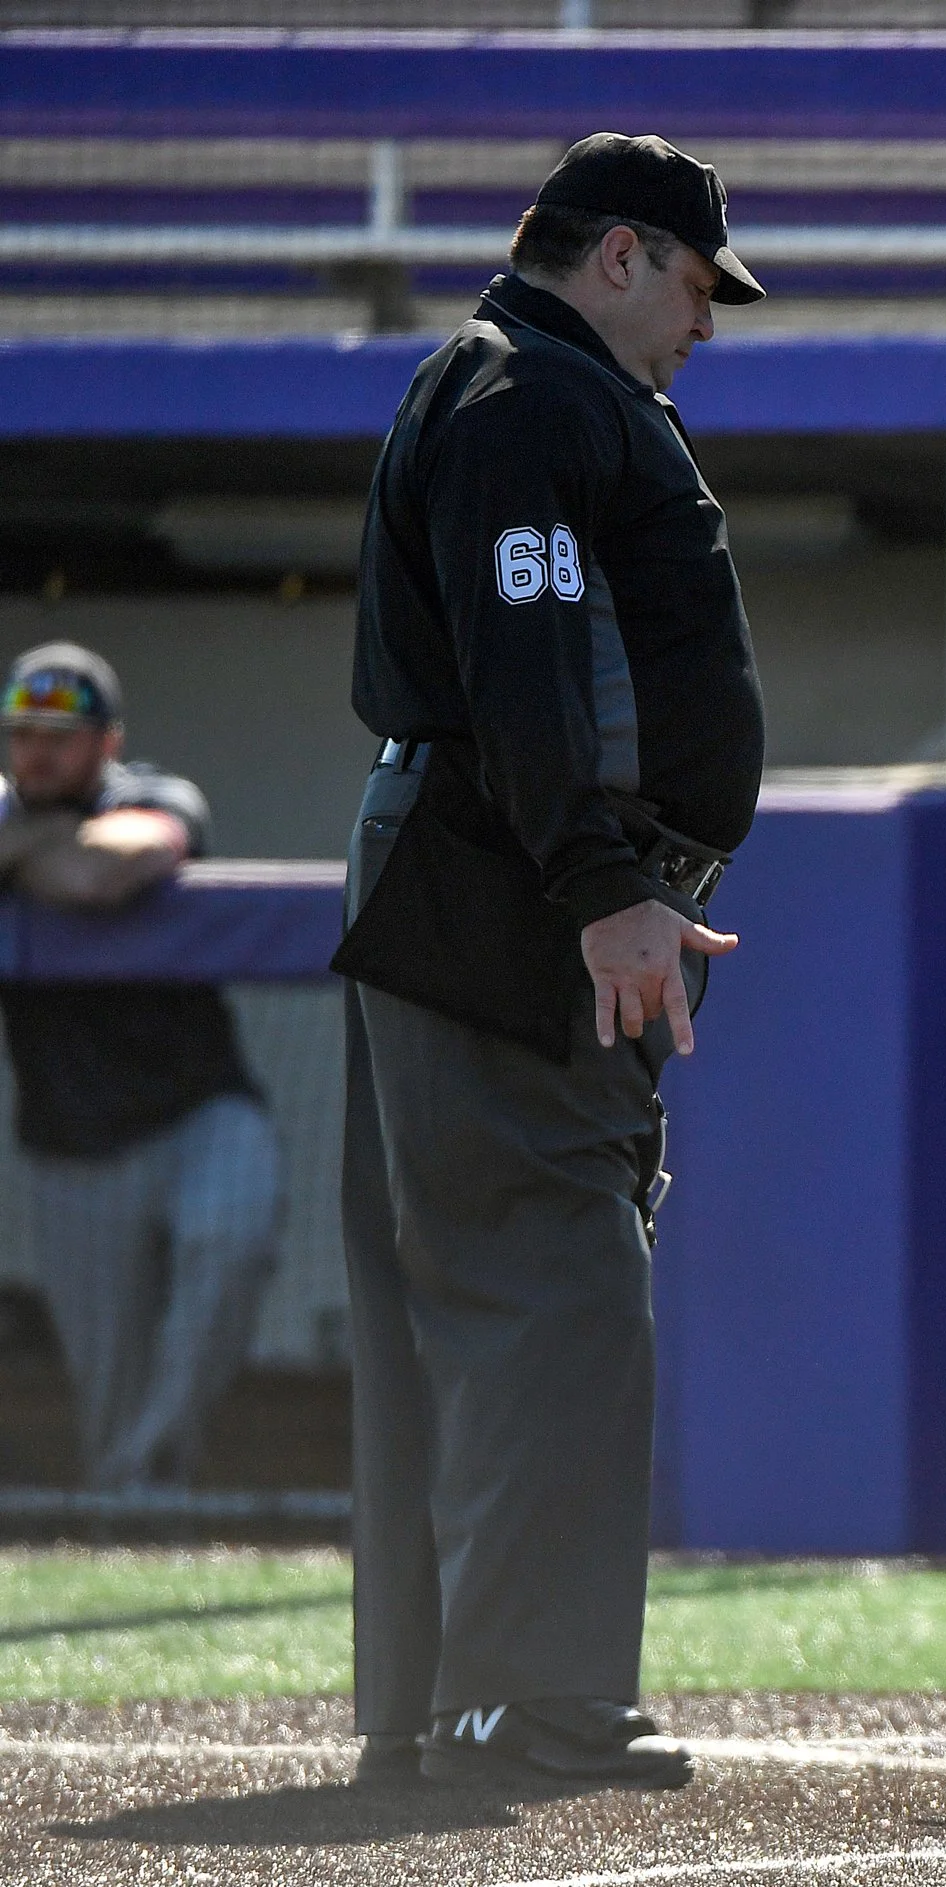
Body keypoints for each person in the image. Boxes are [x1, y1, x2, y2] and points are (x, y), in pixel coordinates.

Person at [336, 133, 765, 1794]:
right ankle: (532, 1694)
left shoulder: (525, 385)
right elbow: (530, 657)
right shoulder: (531, 392)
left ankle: (449, 1696)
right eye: (697, 283)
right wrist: (602, 882)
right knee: (555, 1280)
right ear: (620, 256)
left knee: (488, 1287)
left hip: (480, 858)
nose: (709, 324)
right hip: (510, 875)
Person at [0, 642, 279, 1493]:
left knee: (231, 1236)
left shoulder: (156, 795)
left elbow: (99, 872)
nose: (37, 752)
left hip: (202, 1113)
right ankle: (144, 1502)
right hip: (72, 1149)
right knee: (109, 1400)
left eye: (61, 733)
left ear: (107, 742)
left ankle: (150, 1464)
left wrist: (20, 846)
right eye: (21, 733)